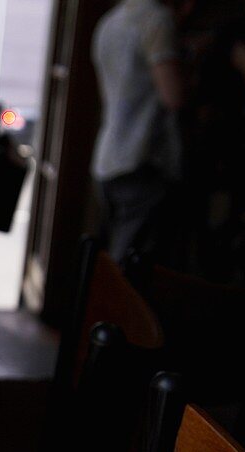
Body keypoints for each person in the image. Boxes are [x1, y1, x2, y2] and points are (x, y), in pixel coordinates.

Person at [91, 0, 186, 266]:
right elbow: (173, 96)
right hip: (141, 158)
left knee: (115, 261)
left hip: (108, 156)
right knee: (130, 275)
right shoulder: (156, 20)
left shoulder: (110, 22)